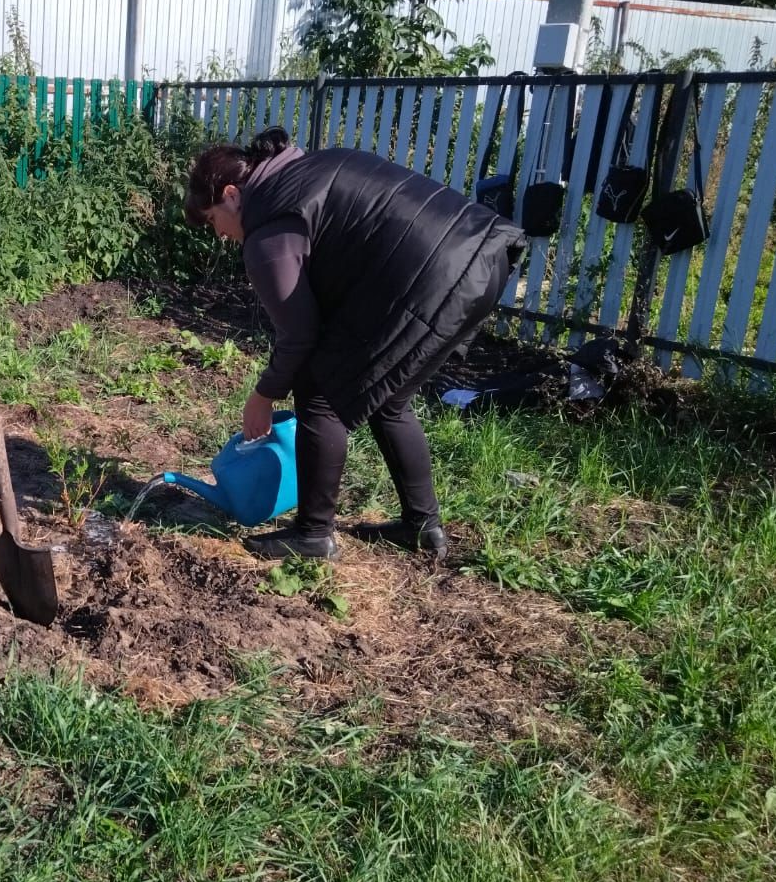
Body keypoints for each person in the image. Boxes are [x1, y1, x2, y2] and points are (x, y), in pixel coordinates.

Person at [186, 127, 526, 562]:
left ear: (232, 194)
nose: (219, 234)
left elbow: (299, 335)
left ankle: (313, 534)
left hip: (434, 273)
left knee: (320, 392)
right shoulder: (304, 171)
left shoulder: (268, 226)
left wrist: (264, 395)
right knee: (389, 399)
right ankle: (422, 526)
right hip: (481, 257)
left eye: (213, 219)